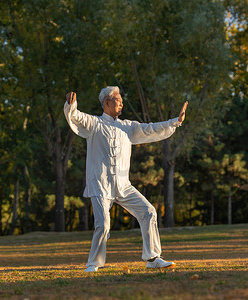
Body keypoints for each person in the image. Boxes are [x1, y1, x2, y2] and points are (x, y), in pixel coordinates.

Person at [64, 86, 188, 272]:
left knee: (148, 212)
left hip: (123, 185)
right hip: (100, 185)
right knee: (103, 224)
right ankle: (94, 264)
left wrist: (174, 122)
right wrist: (71, 105)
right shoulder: (94, 124)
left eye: (121, 100)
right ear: (106, 103)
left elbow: (150, 129)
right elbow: (76, 116)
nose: (121, 103)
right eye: (118, 100)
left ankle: (153, 258)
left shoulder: (127, 127)